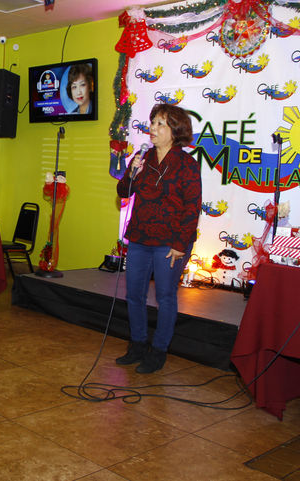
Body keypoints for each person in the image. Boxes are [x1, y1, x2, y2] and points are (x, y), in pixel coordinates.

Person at [115, 104, 201, 373]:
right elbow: (123, 191)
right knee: (134, 295)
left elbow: (192, 208)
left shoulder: (187, 164)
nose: (152, 128)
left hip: (170, 242)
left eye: (160, 124)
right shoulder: (142, 157)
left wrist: (180, 245)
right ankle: (138, 344)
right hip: (140, 237)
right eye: (152, 122)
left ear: (175, 130)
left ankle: (159, 350)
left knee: (165, 296)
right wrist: (132, 172)